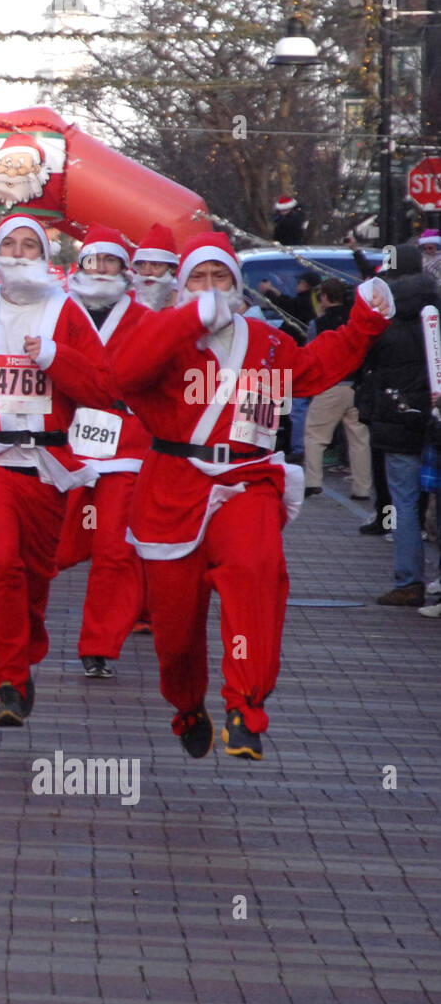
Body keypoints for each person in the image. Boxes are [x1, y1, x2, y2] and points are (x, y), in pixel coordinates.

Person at [113, 232, 393, 760]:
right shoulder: (160, 334)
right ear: (180, 288)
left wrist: (366, 321)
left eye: (221, 278)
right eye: (199, 278)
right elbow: (125, 373)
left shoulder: (265, 343)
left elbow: (313, 369)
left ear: (238, 286)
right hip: (174, 488)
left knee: (256, 572)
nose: (211, 288)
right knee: (175, 633)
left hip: (248, 481)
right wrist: (191, 318)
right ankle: (187, 704)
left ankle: (245, 704)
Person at [0, 215, 114, 725]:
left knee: (35, 573)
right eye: (8, 244)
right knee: (2, 562)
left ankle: (25, 647)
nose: (17, 253)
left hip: (48, 461)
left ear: (45, 256)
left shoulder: (68, 314)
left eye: (28, 245)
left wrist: (56, 357)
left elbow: (101, 390)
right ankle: (7, 681)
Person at [53, 224, 151, 680]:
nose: (101, 269)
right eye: (93, 261)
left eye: (110, 261)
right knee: (50, 546)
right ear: (79, 266)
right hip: (62, 442)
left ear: (124, 270)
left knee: (114, 548)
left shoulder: (146, 320)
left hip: (126, 445)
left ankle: (100, 644)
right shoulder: (57, 312)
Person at [354, 246, 440, 607]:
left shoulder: (382, 316)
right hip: (435, 416)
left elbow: (361, 359)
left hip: (397, 416)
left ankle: (409, 580)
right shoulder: (434, 311)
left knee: (404, 502)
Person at [301, 279, 372, 500]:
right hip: (355, 386)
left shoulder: (318, 324)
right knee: (359, 439)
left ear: (324, 297)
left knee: (315, 435)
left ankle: (313, 482)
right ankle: (362, 488)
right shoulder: (354, 323)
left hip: (329, 386)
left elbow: (310, 355)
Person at [130, 224, 178, 312]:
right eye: (142, 265)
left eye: (156, 265)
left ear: (172, 269)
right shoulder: (126, 302)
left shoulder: (183, 305)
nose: (147, 272)